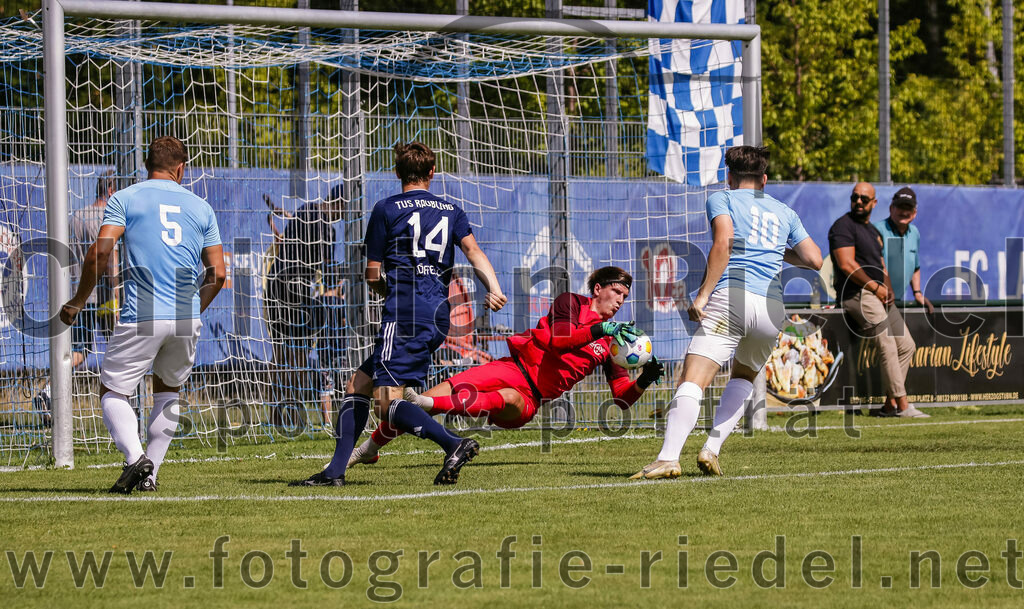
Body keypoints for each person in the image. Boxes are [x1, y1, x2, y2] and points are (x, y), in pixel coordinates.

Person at [294, 142, 507, 487]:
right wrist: (494, 289)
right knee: (358, 384)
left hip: (405, 313)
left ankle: (453, 443)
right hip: (438, 313)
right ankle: (334, 472)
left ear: (397, 173)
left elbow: (373, 273)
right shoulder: (451, 210)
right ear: (432, 173)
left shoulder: (386, 209)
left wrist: (389, 294)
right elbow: (474, 251)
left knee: (385, 402)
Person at [347, 267, 666, 468]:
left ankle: (430, 404)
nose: (622, 300)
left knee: (509, 398)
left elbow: (622, 397)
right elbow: (558, 342)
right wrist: (600, 329)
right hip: (513, 367)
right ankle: (367, 450)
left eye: (626, 296)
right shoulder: (571, 303)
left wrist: (645, 380)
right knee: (426, 401)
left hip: (531, 398)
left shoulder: (615, 342)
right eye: (618, 292)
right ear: (598, 288)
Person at [631, 145, 823, 480]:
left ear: (729, 176)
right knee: (744, 377)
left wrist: (703, 294)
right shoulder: (783, 211)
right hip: (771, 308)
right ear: (764, 179)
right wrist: (776, 252)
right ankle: (711, 449)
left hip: (733, 296)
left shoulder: (723, 198)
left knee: (693, 378)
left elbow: (724, 242)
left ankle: (667, 458)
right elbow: (814, 259)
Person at [60, 136, 226, 494]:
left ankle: (136, 459)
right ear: (181, 168)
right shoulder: (201, 207)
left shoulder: (126, 197)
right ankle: (150, 477)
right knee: (168, 390)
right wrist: (194, 307)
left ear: (147, 166)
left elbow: (98, 255)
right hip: (186, 312)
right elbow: (219, 273)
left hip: (144, 310)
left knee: (111, 391)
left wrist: (77, 301)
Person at [830, 183, 926, 418]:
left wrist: (888, 289)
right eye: (855, 197)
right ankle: (903, 405)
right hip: (856, 294)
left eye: (864, 198)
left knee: (907, 345)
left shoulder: (872, 231)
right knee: (887, 341)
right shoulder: (843, 226)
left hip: (878, 294)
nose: (859, 202)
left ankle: (889, 405)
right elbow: (846, 264)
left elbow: (881, 266)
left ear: (874, 203)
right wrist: (874, 287)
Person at [264, 186, 345, 413]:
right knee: (298, 351)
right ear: (338, 204)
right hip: (295, 290)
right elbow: (329, 272)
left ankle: (275, 411)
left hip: (275, 284)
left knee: (280, 350)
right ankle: (291, 410)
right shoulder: (327, 230)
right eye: (344, 210)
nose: (343, 216)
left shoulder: (304, 209)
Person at [69, 171, 120, 369]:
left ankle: (49, 388)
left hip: (79, 294)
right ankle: (121, 394)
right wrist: (117, 295)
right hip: (104, 296)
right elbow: (110, 260)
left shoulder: (77, 216)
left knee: (80, 349)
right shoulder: (106, 218)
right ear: (110, 190)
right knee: (119, 348)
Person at [875, 187, 933, 313]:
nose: (904, 212)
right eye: (900, 207)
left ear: (914, 213)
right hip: (875, 301)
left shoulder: (914, 233)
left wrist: (917, 293)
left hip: (896, 303)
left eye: (908, 208)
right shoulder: (877, 230)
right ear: (891, 209)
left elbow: (915, 267)